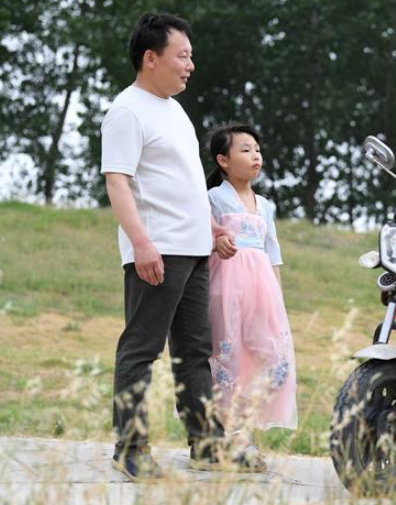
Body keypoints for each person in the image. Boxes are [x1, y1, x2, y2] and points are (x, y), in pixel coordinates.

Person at [101, 13, 247, 480]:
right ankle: (130, 449)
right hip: (158, 250)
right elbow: (118, 182)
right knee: (141, 349)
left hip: (195, 249)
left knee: (194, 352)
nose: (190, 65)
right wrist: (141, 243)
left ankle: (207, 444)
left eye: (190, 56)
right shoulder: (127, 110)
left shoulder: (174, 110)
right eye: (182, 56)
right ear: (151, 58)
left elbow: (183, 184)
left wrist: (212, 227)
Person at [206, 122, 298, 472]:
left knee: (269, 357)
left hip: (262, 291)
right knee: (228, 356)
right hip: (226, 286)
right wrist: (216, 241)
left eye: (257, 149)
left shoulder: (266, 206)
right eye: (245, 150)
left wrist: (277, 297)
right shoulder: (214, 198)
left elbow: (272, 252)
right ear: (223, 160)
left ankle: (244, 428)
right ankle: (232, 436)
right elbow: (202, 235)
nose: (255, 156)